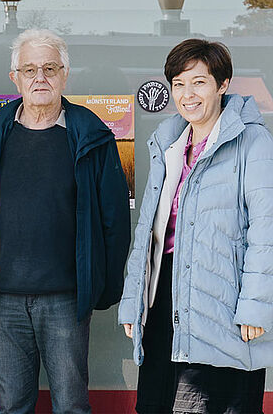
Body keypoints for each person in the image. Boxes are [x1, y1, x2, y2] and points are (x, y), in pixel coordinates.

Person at [0, 29, 130, 414]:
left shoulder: (91, 135)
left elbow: (114, 219)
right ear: (15, 78)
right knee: (11, 405)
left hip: (67, 297)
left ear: (65, 74)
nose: (39, 77)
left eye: (49, 68)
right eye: (29, 69)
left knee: (71, 404)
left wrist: (105, 287)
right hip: (5, 297)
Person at [119, 39, 273, 414]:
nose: (187, 95)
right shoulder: (169, 142)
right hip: (165, 300)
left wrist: (255, 307)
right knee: (155, 404)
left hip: (221, 299)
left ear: (222, 85)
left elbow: (266, 229)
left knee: (211, 403)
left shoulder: (252, 141)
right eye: (178, 84)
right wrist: (132, 302)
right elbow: (148, 233)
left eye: (199, 82)